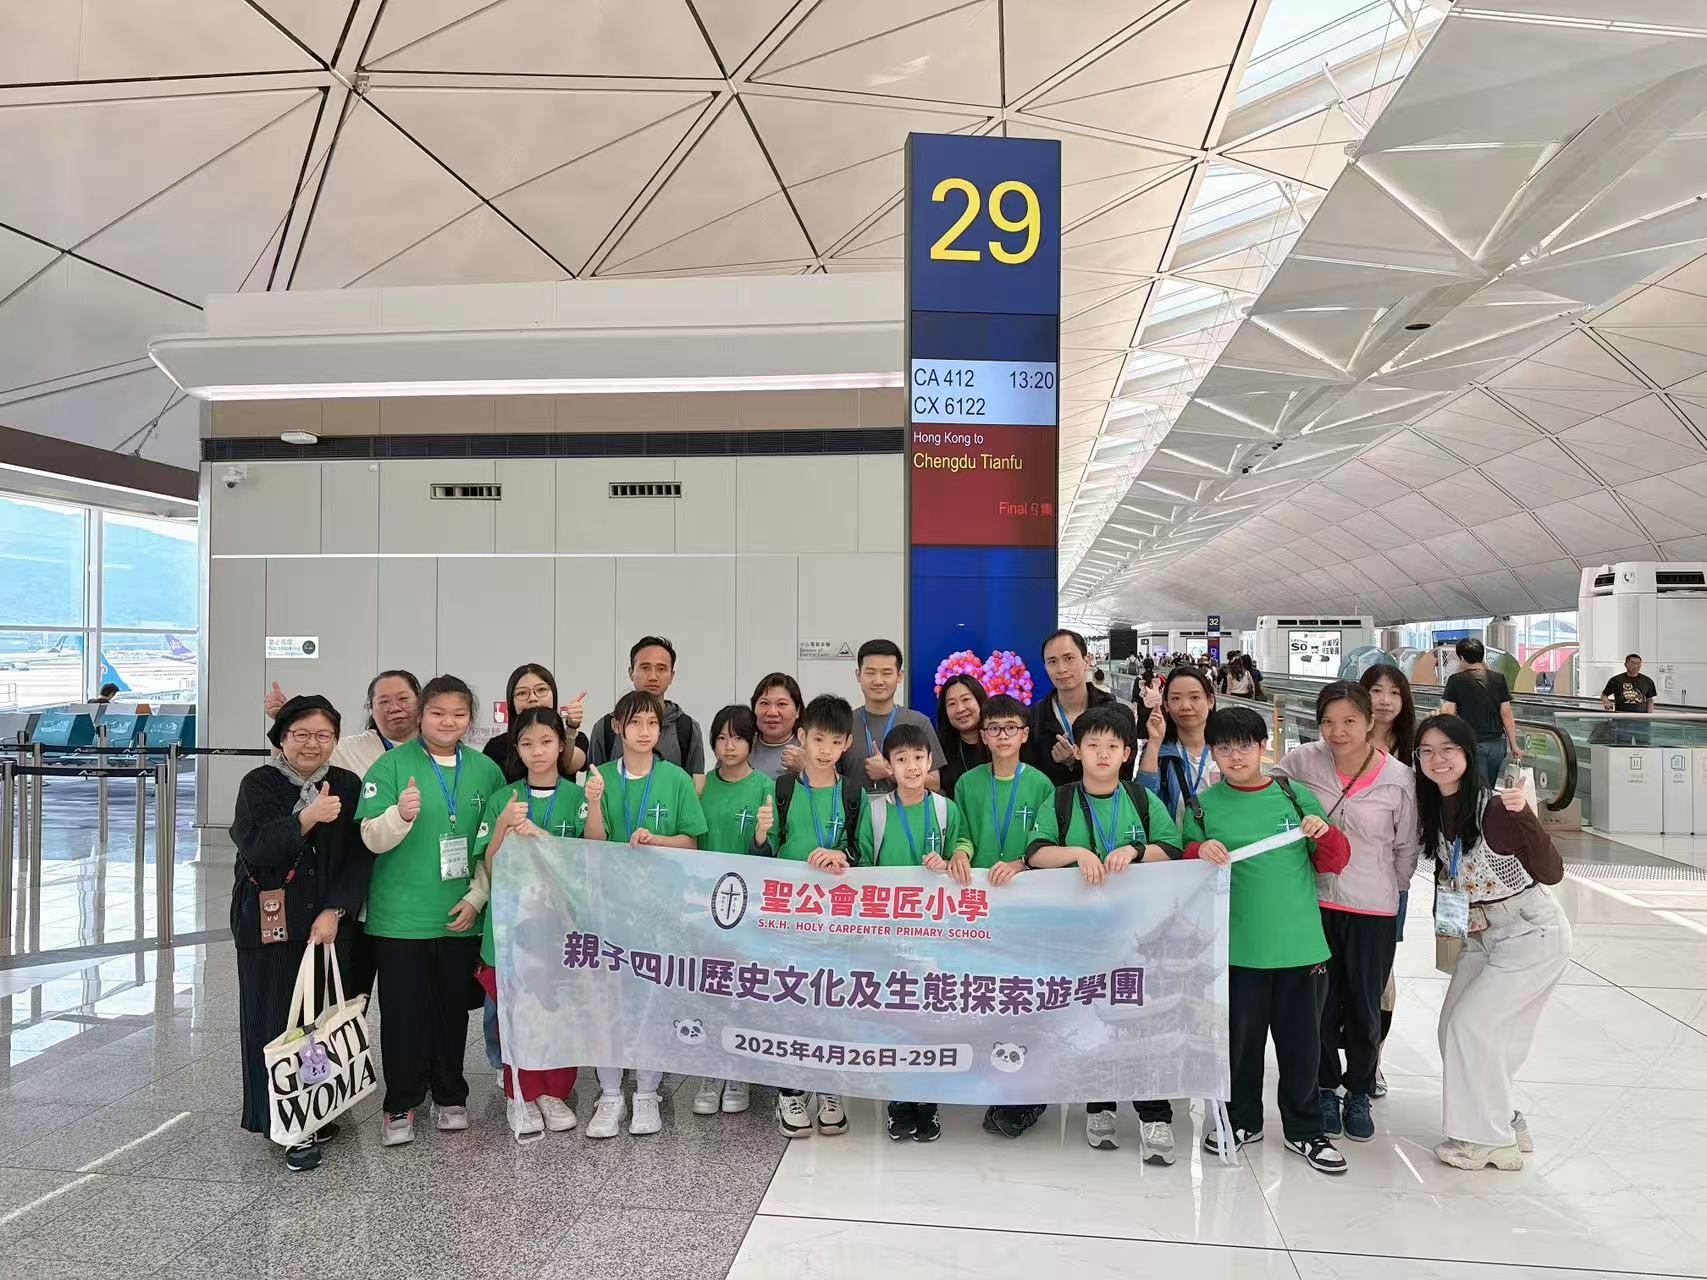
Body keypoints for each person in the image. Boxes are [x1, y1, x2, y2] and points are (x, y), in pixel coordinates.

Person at [1184, 706, 1350, 1174]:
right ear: (1212, 753)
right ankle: (1242, 1121)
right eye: (1223, 748)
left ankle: (1305, 1129)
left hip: (1299, 947)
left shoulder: (1293, 796)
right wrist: (1198, 850)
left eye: (1244, 746)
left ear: (1264, 747)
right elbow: (1185, 868)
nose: (1235, 756)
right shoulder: (1203, 807)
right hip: (1237, 949)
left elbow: (1335, 860)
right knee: (1241, 1044)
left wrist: (1324, 833)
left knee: (1302, 1046)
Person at [1022, 704, 1183, 1163]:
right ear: (1077, 751)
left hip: (1138, 933)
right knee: (1094, 1020)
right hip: (1082, 934)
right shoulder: (1061, 799)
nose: (1102, 753)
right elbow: (1035, 852)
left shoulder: (1141, 799)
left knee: (1143, 1020)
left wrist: (1135, 850)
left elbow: (1172, 848)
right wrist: (1076, 853)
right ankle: (1100, 1106)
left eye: (1113, 746)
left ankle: (1155, 1115)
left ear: (1127, 753)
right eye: (1092, 745)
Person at [357, 674, 506, 1147]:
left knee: (450, 1012)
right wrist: (398, 815)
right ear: (421, 715)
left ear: (470, 719)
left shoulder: (486, 771)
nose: (448, 722)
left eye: (458, 714)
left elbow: (493, 846)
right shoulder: (391, 766)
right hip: (400, 918)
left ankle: (450, 1094)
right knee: (402, 1013)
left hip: (459, 914)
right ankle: (400, 1101)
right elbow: (369, 837)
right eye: (438, 713)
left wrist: (477, 897)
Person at [1415, 714, 1569, 1171]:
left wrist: (1526, 818)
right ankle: (1505, 1119)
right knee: (1453, 1028)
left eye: (1448, 749)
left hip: (1530, 933)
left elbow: (1552, 873)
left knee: (1473, 1028)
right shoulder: (1436, 808)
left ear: (1468, 753)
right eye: (1427, 751)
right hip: (1482, 935)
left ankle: (1491, 1142)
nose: (1438, 759)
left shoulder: (1498, 809)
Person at [1273, 681, 1419, 1146]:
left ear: (1370, 721)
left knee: (1364, 1004)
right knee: (1318, 1003)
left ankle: (1359, 1088)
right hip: (1313, 903)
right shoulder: (1302, 761)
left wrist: (1392, 893)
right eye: (1328, 722)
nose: (1338, 732)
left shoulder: (1399, 779)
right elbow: (1268, 787)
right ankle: (1324, 1087)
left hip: (1372, 907)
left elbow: (1406, 848)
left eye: (1349, 721)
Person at [231, 694, 371, 1173]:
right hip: (271, 922)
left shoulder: (348, 783)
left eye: (323, 735)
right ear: (281, 738)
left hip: (327, 923)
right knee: (273, 1019)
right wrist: (309, 816)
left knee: (318, 1021)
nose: (312, 744)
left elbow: (357, 855)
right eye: (301, 734)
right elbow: (255, 845)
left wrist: (336, 909)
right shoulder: (259, 783)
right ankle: (286, 1125)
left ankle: (315, 1109)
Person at [583, 690, 707, 1138]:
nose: (644, 731)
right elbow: (593, 844)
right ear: (618, 727)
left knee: (653, 999)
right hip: (610, 905)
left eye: (652, 724)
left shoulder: (675, 779)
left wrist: (658, 841)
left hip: (659, 907)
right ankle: (610, 1094)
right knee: (608, 1000)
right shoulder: (600, 778)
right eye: (634, 723)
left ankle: (648, 1093)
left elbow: (691, 842)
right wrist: (593, 803)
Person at [465, 707, 586, 1143]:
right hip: (511, 925)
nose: (538, 751)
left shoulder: (578, 798)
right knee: (514, 1015)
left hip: (560, 927)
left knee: (556, 1011)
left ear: (561, 745)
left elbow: (589, 866)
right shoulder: (504, 799)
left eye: (547, 742)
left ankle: (553, 1093)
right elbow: (491, 865)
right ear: (516, 748)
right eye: (527, 743)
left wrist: (545, 840)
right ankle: (520, 1093)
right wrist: (502, 826)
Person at [855, 721, 966, 1143]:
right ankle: (899, 1102)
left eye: (919, 757)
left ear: (930, 760)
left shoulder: (945, 809)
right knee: (894, 1019)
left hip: (935, 933)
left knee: (929, 1020)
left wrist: (954, 858)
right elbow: (863, 865)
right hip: (888, 935)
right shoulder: (875, 810)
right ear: (889, 765)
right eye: (901, 759)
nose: (912, 766)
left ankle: (927, 1100)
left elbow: (963, 846)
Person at [950, 693, 1055, 1140]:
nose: (1003, 736)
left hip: (1025, 907)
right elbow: (962, 833)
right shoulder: (967, 784)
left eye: (1011, 728)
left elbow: (1046, 840)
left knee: (1022, 995)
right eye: (994, 729)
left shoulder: (1042, 785)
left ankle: (1026, 1094)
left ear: (1025, 734)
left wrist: (1021, 863)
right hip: (978, 906)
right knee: (983, 992)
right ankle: (989, 1080)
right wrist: (961, 851)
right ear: (983, 736)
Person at [762, 693, 860, 1141]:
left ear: (847, 744)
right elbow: (764, 854)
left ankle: (829, 1086)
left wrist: (844, 856)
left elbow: (863, 853)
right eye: (818, 739)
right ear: (801, 736)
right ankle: (790, 1090)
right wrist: (761, 835)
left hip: (836, 919)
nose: (825, 749)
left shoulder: (854, 794)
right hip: (788, 917)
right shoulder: (781, 790)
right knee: (790, 1002)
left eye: (835, 741)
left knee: (833, 1003)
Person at [691, 704, 777, 1120]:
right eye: (722, 738)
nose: (729, 746)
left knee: (742, 990)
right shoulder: (701, 786)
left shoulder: (766, 788)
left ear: (752, 742)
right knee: (709, 988)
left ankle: (739, 1072)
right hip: (704, 906)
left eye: (738, 738)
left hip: (749, 908)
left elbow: (773, 852)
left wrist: (761, 835)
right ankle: (711, 1073)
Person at [1360, 661, 1418, 1094]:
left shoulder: (1415, 750)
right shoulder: (1343, 740)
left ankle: (1372, 1060)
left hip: (1391, 877)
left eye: (1394, 692)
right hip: (1340, 877)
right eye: (1376, 691)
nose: (1384, 701)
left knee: (1382, 972)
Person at [586, 636, 706, 782]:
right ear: (631, 672)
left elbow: (696, 787)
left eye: (661, 669)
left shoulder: (687, 728)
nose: (653, 677)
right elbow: (594, 782)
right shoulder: (606, 727)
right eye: (645, 668)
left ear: (671, 676)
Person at [839, 639, 945, 795]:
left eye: (887, 673)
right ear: (858, 675)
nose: (878, 681)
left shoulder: (919, 723)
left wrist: (889, 772)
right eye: (870, 672)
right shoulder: (844, 723)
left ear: (899, 676)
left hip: (905, 810)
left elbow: (935, 784)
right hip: (855, 809)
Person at [1028, 628, 1132, 787]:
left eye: (1069, 658)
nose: (1061, 669)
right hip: (1052, 802)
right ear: (1045, 667)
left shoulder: (1118, 714)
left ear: (1087, 660)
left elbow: (1125, 777)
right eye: (1052, 661)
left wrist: (1073, 762)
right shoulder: (1035, 718)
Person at [1137, 666, 1217, 825]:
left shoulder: (1228, 750)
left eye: (1195, 697)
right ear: (1166, 705)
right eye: (1175, 699)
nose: (1185, 706)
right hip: (1174, 840)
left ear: (1210, 701)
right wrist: (1154, 743)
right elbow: (1142, 802)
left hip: (1221, 840)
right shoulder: (1160, 753)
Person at [482, 663, 587, 783]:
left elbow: (566, 766)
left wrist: (571, 727)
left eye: (541, 690)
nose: (533, 698)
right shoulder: (496, 747)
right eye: (522, 693)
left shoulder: (576, 739)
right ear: (512, 702)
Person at [1440, 638, 1520, 790]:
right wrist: (1514, 744)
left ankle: (1482, 805)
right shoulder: (1498, 679)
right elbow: (1506, 713)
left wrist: (1447, 741)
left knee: (1477, 787)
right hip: (1497, 743)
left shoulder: (1455, 680)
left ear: (1462, 658)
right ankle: (1488, 804)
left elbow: (1449, 713)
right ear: (1482, 656)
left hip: (1472, 742)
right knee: (1489, 785)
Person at [935, 673, 989, 796]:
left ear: (980, 700)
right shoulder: (939, 749)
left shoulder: (1000, 741)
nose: (960, 709)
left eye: (965, 699)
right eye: (952, 704)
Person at [749, 672, 805, 778]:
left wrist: (805, 769)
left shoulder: (812, 748)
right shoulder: (741, 745)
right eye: (764, 703)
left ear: (797, 710)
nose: (772, 712)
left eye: (781, 704)